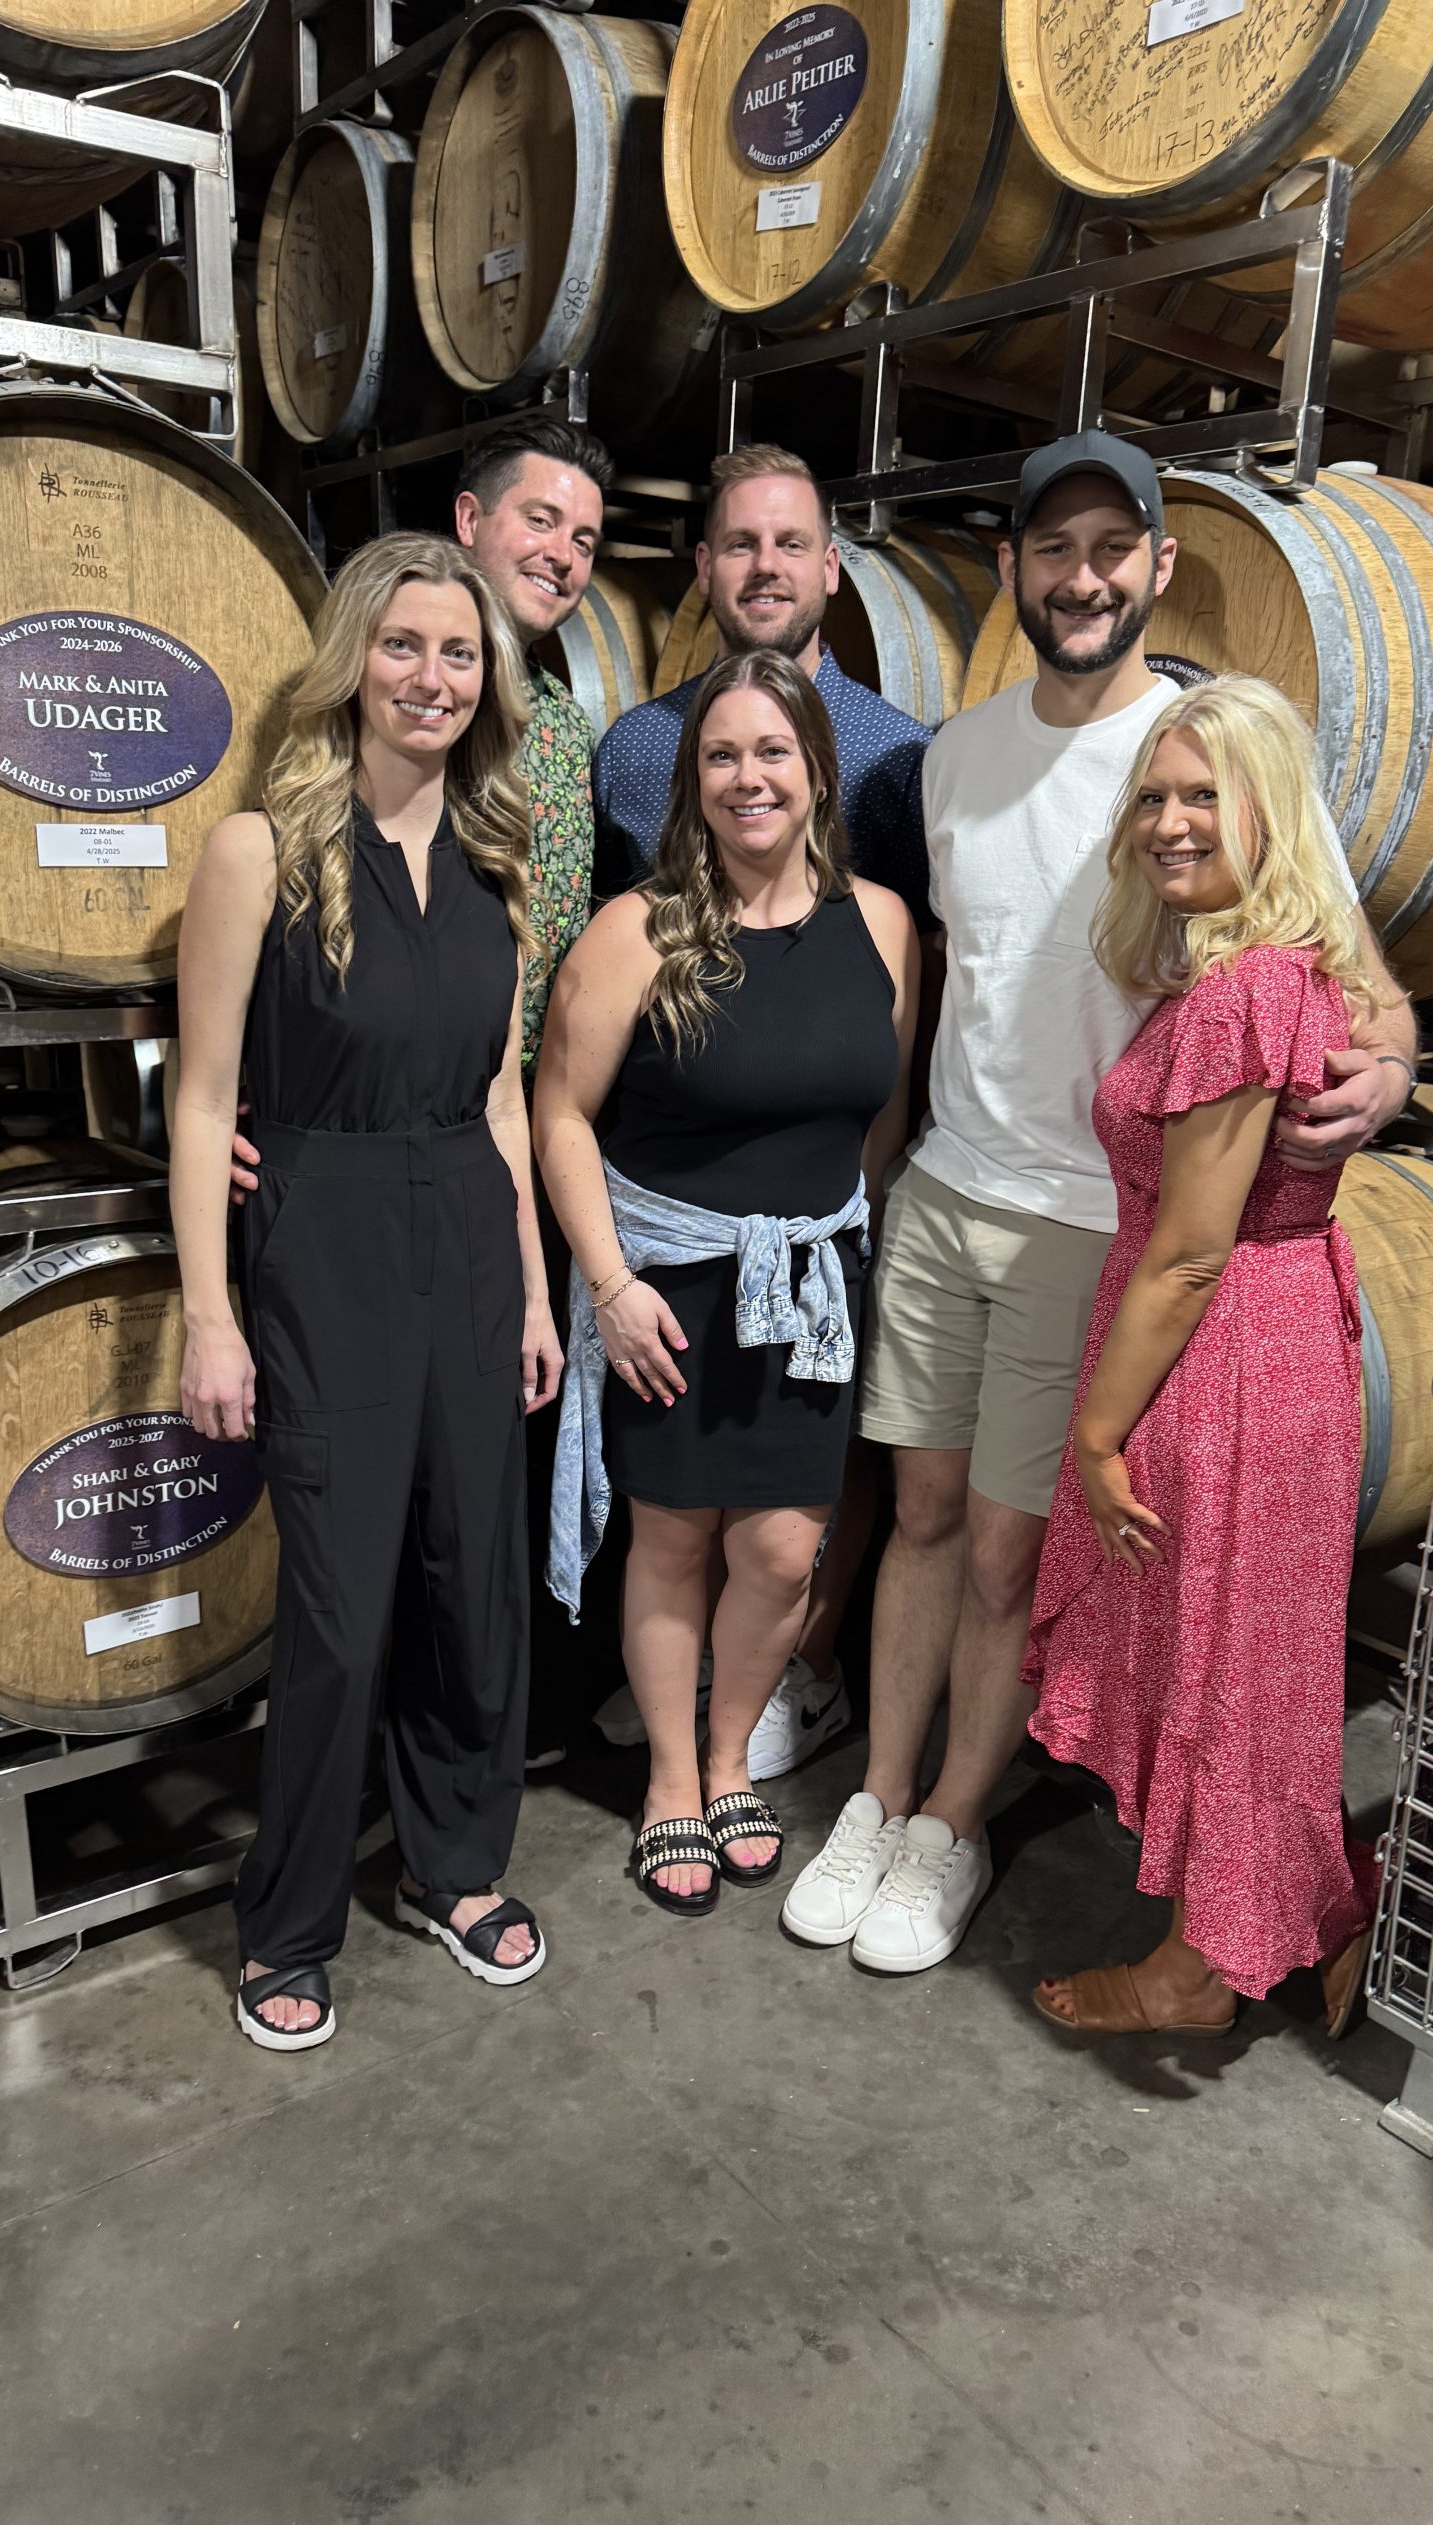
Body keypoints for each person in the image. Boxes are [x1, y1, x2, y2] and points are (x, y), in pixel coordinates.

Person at [782, 430, 1420, 1975]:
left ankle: (955, 1822)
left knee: (1012, 1552)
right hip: (946, 1190)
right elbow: (940, 985)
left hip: (1093, 1224)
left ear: (1158, 566)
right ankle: (875, 1796)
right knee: (919, 1518)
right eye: (1052, 551)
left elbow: (1350, 964)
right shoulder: (948, 756)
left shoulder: (1208, 746)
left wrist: (1391, 1065)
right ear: (1010, 572)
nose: (1082, 578)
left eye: (1111, 549)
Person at [174, 532, 562, 2052]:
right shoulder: (258, 852)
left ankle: (456, 1870)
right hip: (321, 1232)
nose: (432, 677)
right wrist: (211, 1313)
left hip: (468, 1231)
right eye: (403, 646)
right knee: (338, 1612)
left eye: (459, 654)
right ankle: (288, 1920)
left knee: (475, 1580)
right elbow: (205, 1101)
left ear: (490, 680)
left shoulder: (496, 862)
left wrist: (530, 1295)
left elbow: (506, 1106)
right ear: (351, 662)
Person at [228, 420, 614, 1770]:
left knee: (475, 1548)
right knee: (347, 1563)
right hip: (343, 1174)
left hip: (484, 1149)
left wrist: (532, 1267)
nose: (561, 553)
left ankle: (459, 1829)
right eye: (539, 522)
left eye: (585, 537)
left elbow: (527, 1052)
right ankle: (318, 1861)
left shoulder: (545, 764)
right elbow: (236, 1006)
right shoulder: (294, 803)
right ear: (468, 521)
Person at [1024, 676, 1378, 2037]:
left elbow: (1185, 1252)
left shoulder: (1244, 990)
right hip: (1279, 1340)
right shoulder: (1287, 965)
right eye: (1155, 798)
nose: (1171, 824)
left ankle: (1201, 1970)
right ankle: (1318, 1903)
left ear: (1266, 812)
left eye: (1203, 797)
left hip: (1223, 1354)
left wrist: (1097, 1435)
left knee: (1227, 1662)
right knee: (1258, 1657)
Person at [538, 650, 917, 1912]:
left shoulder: (881, 923)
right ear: (690, 781)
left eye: (772, 752)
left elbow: (882, 1112)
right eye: (721, 755)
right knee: (672, 1542)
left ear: (817, 767)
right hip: (672, 1295)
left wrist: (827, 1243)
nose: (748, 778)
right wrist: (608, 1280)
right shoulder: (636, 931)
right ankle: (669, 1785)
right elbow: (561, 1114)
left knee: (781, 1552)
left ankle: (730, 1751)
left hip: (808, 1293)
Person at [590, 443, 934, 1772]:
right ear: (704, 568)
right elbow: (612, 952)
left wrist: (867, 1181)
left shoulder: (898, 755)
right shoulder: (635, 747)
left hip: (821, 1164)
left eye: (791, 544)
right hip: (677, 1174)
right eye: (739, 544)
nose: (766, 567)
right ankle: (698, 1679)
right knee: (680, 1481)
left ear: (832, 567)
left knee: (813, 1468)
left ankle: (804, 1664)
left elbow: (908, 974)